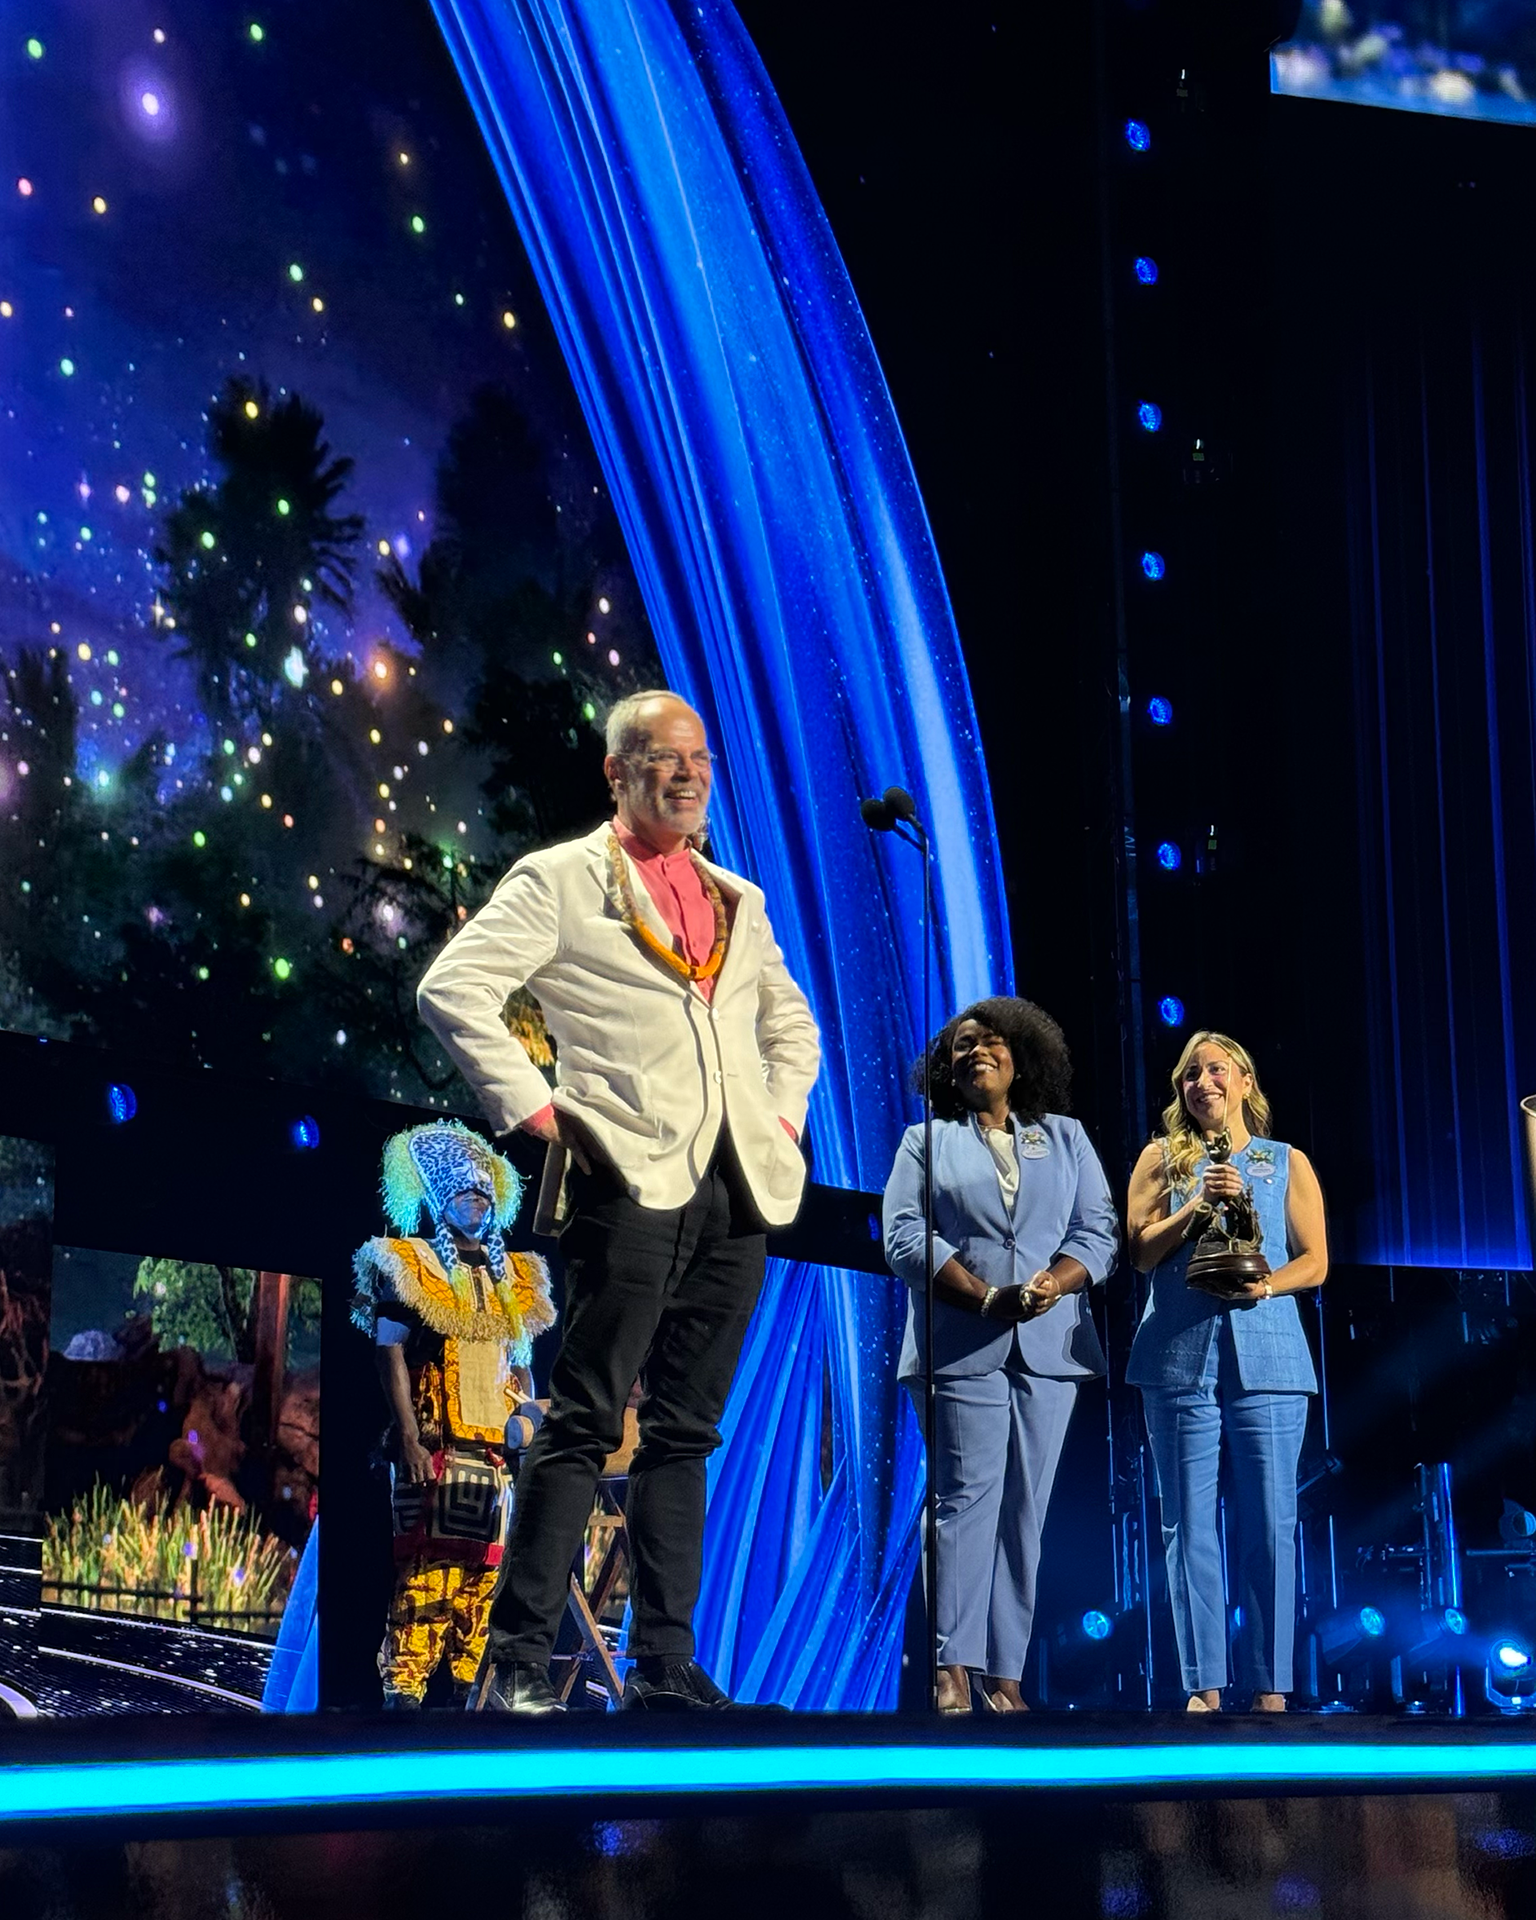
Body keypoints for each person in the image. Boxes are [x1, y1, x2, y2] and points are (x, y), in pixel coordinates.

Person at [417, 689, 820, 1713]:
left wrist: (780, 1119)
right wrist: (545, 1112)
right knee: (587, 1419)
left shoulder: (740, 899)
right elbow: (452, 988)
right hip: (626, 1180)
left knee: (687, 1432)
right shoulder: (559, 881)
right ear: (617, 772)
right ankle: (515, 1665)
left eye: (698, 759)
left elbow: (793, 1027)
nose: (686, 775)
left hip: (735, 1193)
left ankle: (664, 1668)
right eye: (660, 758)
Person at [883, 998, 1119, 1713]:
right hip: (963, 1344)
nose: (975, 1051)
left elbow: (1099, 1231)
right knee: (964, 1501)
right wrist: (986, 1296)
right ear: (945, 1070)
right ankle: (951, 1665)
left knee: (1025, 1513)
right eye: (960, 1046)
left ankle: (1005, 1676)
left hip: (1049, 1348)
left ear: (1020, 1058)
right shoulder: (925, 1141)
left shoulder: (1067, 1138)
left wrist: (1055, 1280)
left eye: (989, 1041)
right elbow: (903, 1236)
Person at [1126, 1031, 1328, 1713]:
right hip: (1179, 1357)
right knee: (1188, 1523)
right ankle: (1203, 1687)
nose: (1202, 1081)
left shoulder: (1285, 1162)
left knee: (1272, 1523)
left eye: (1216, 1069)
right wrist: (1194, 1208)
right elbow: (1140, 1251)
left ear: (1244, 1080)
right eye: (1189, 1074)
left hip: (1269, 1358)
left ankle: (1271, 1687)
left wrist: (1266, 1288)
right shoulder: (1161, 1158)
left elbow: (1316, 1260)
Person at [352, 1120, 556, 1710]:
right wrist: (410, 1439)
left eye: (483, 1193)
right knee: (424, 1581)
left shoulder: (513, 1278)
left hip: (497, 1457)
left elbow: (521, 1367)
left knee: (485, 1588)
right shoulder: (414, 1265)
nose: (476, 1201)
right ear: (442, 1200)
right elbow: (388, 1348)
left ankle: (474, 1712)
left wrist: (530, 1424)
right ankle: (405, 1709)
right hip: (435, 1453)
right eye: (464, 1193)